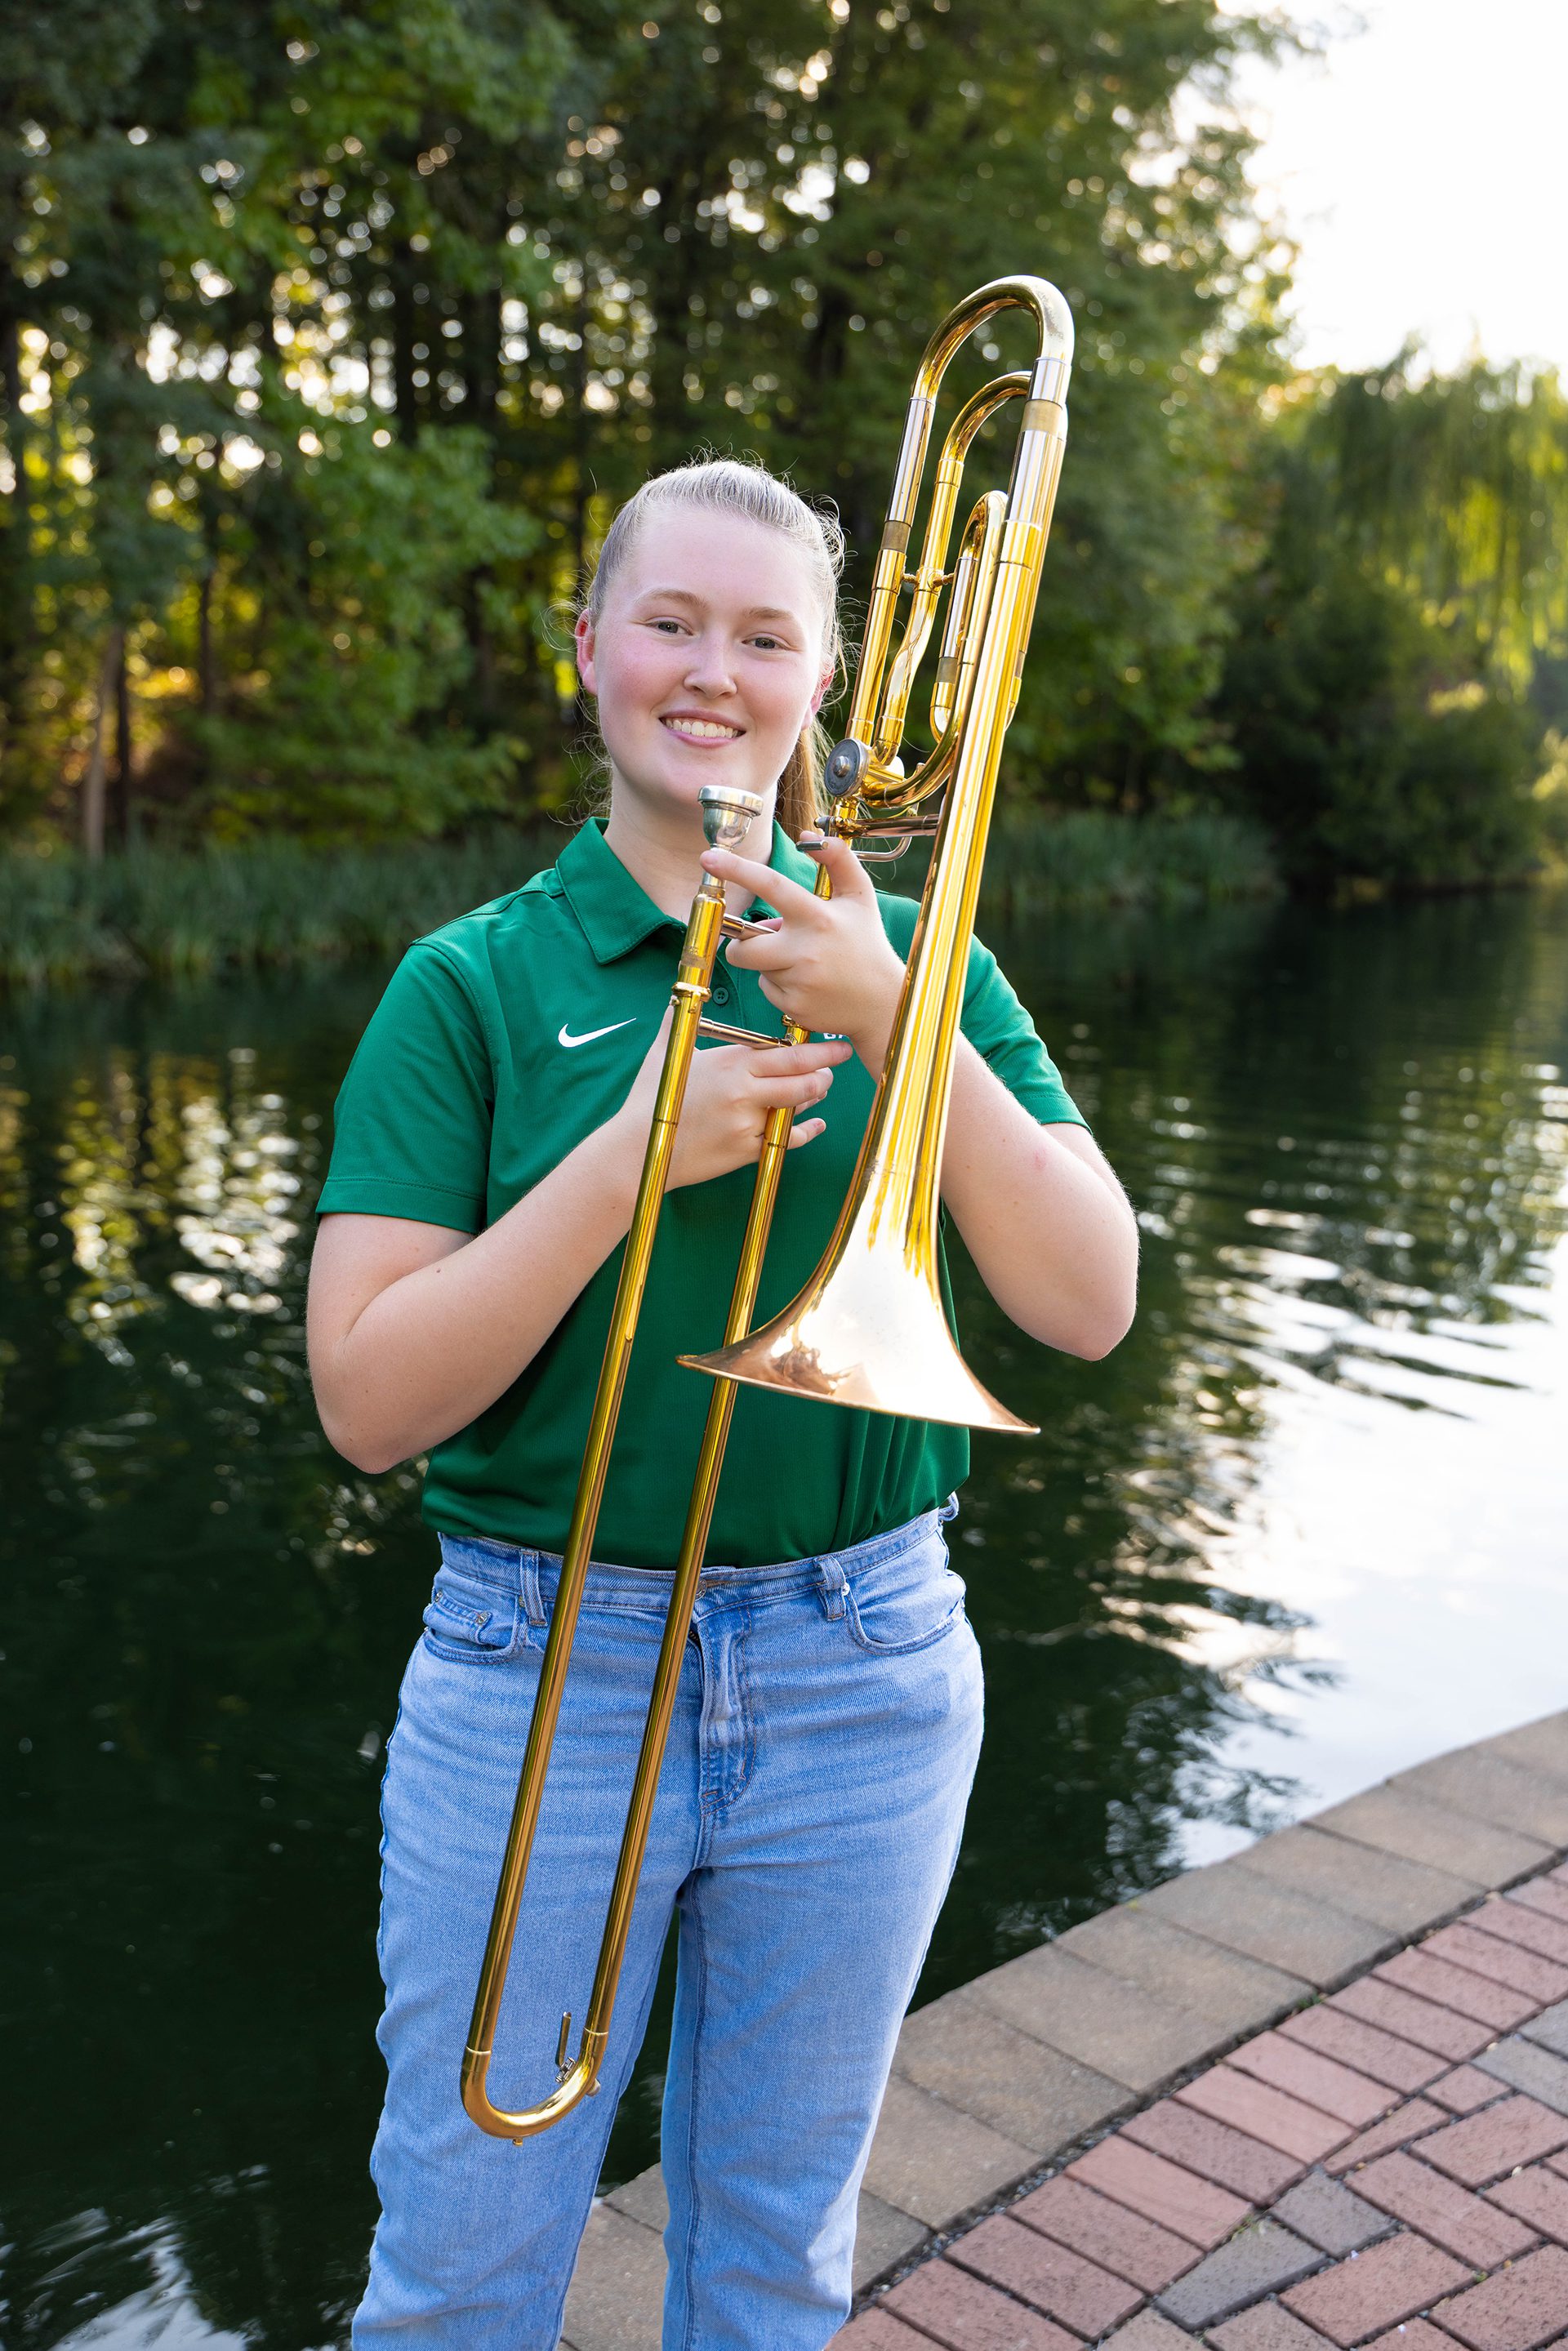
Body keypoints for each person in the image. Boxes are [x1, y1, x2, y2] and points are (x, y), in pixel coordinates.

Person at [308, 456, 1138, 2351]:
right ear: (587, 650)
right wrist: (623, 1158)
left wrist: (892, 1015)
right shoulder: (475, 984)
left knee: (774, 2266)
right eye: (669, 622)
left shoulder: (913, 952)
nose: (715, 670)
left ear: (824, 679)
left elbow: (1089, 1303)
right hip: (543, 1665)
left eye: (767, 636)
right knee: (458, 2275)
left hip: (867, 1664)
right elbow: (364, 1402)